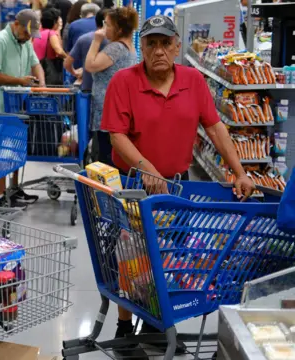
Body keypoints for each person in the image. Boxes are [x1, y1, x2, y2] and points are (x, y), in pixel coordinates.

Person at [101, 14, 254, 340]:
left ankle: (158, 321)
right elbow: (117, 136)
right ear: (141, 46)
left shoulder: (193, 80)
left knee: (169, 257)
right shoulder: (124, 81)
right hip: (132, 184)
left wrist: (239, 172)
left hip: (177, 185)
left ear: (177, 46)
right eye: (151, 43)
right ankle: (124, 327)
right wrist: (148, 170)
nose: (158, 51)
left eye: (165, 43)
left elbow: (215, 128)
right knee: (131, 256)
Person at [0, 9, 45, 207]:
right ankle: (0, 195)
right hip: (0, 106)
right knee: (2, 151)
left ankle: (15, 189)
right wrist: (20, 80)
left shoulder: (25, 42)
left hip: (19, 104)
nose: (29, 37)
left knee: (17, 148)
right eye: (27, 32)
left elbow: (36, 65)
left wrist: (42, 86)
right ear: (17, 25)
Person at [85, 6, 138, 166]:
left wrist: (96, 40)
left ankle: (106, 190)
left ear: (119, 29)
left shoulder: (116, 48)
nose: (103, 28)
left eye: (107, 24)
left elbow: (90, 65)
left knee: (106, 157)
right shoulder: (128, 47)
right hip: (117, 109)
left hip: (107, 111)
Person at [64, 8, 108, 91]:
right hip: (109, 90)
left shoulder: (84, 38)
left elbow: (67, 63)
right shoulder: (115, 41)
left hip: (88, 87)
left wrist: (75, 72)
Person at [33, 8, 67, 85]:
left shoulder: (37, 32)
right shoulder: (51, 33)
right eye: (58, 21)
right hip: (49, 68)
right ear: (54, 22)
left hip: (36, 66)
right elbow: (58, 51)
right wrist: (67, 57)